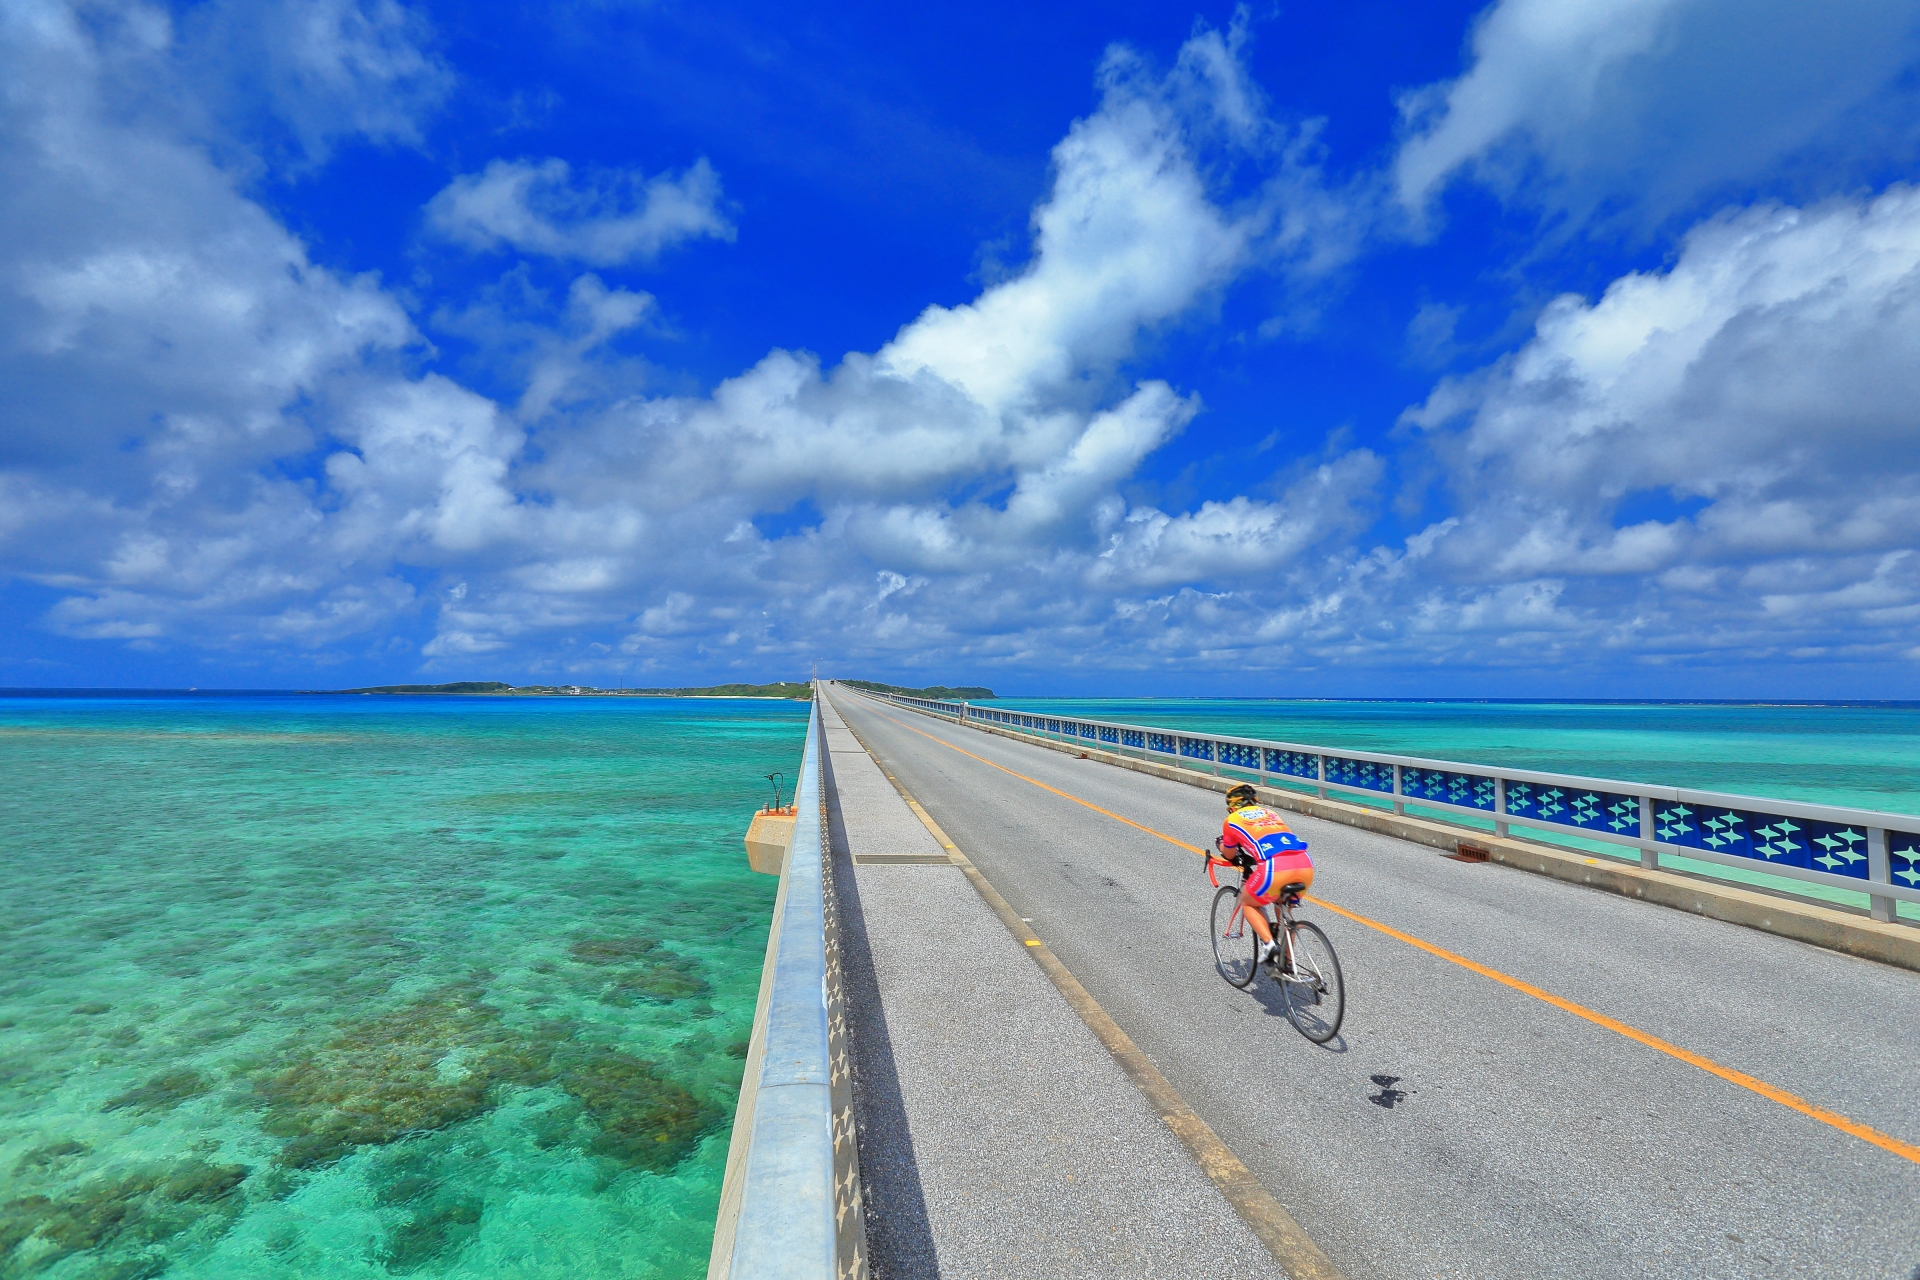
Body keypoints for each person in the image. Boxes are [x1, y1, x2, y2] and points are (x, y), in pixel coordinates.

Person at [1206, 783, 1312, 968]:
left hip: (1274, 867)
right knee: (1284, 910)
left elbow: (1230, 854)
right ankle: (1287, 964)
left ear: (1232, 805)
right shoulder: (1271, 813)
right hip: (1304, 864)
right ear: (1255, 802)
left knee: (1248, 902)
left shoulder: (1232, 819)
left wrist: (1220, 844)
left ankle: (1270, 946)